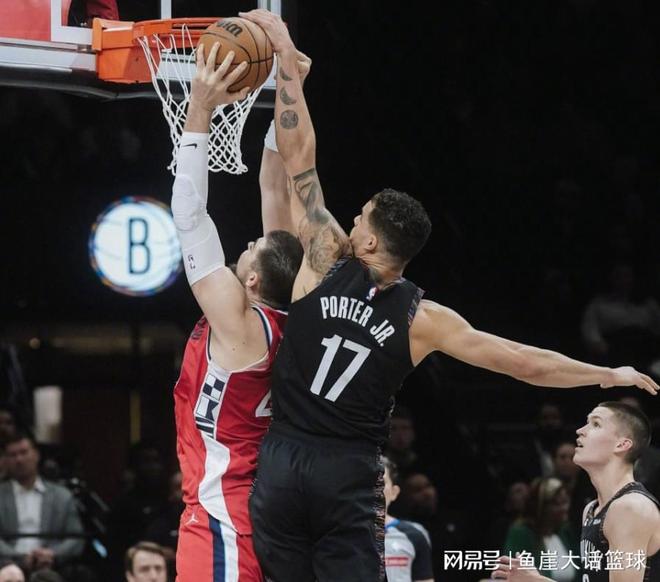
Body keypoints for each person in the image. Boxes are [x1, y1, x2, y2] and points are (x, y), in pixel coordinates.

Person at [239, 9, 659, 582]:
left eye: (360, 216)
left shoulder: (323, 255)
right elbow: (522, 362)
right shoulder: (423, 318)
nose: (352, 219)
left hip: (284, 458)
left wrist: (287, 64)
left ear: (368, 239)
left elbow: (299, 158)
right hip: (347, 470)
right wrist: (604, 374)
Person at [169, 43, 306, 582]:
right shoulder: (290, 311)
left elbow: (189, 214)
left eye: (250, 248)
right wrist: (287, 88)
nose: (247, 243)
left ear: (251, 281)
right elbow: (274, 184)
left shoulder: (240, 324)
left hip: (225, 517)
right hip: (252, 510)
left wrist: (200, 108)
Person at [494, 402, 660, 581]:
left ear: (621, 444)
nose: (580, 430)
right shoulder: (591, 509)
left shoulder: (630, 508)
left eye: (596, 424)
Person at [0, 434, 84, 573]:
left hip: (52, 565)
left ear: (36, 455)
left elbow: (76, 538)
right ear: (6, 460)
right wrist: (20, 558)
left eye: (24, 452)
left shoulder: (62, 495)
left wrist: (53, 554)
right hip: (7, 565)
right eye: (12, 455)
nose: (19, 459)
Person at [503, 477, 579, 581]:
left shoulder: (565, 532)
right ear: (542, 506)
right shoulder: (521, 534)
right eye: (557, 504)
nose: (564, 508)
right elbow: (511, 571)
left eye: (565, 502)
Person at [383, 457, 433, 582]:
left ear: (394, 492)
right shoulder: (341, 535)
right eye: (365, 483)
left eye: (381, 482)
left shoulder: (414, 535)